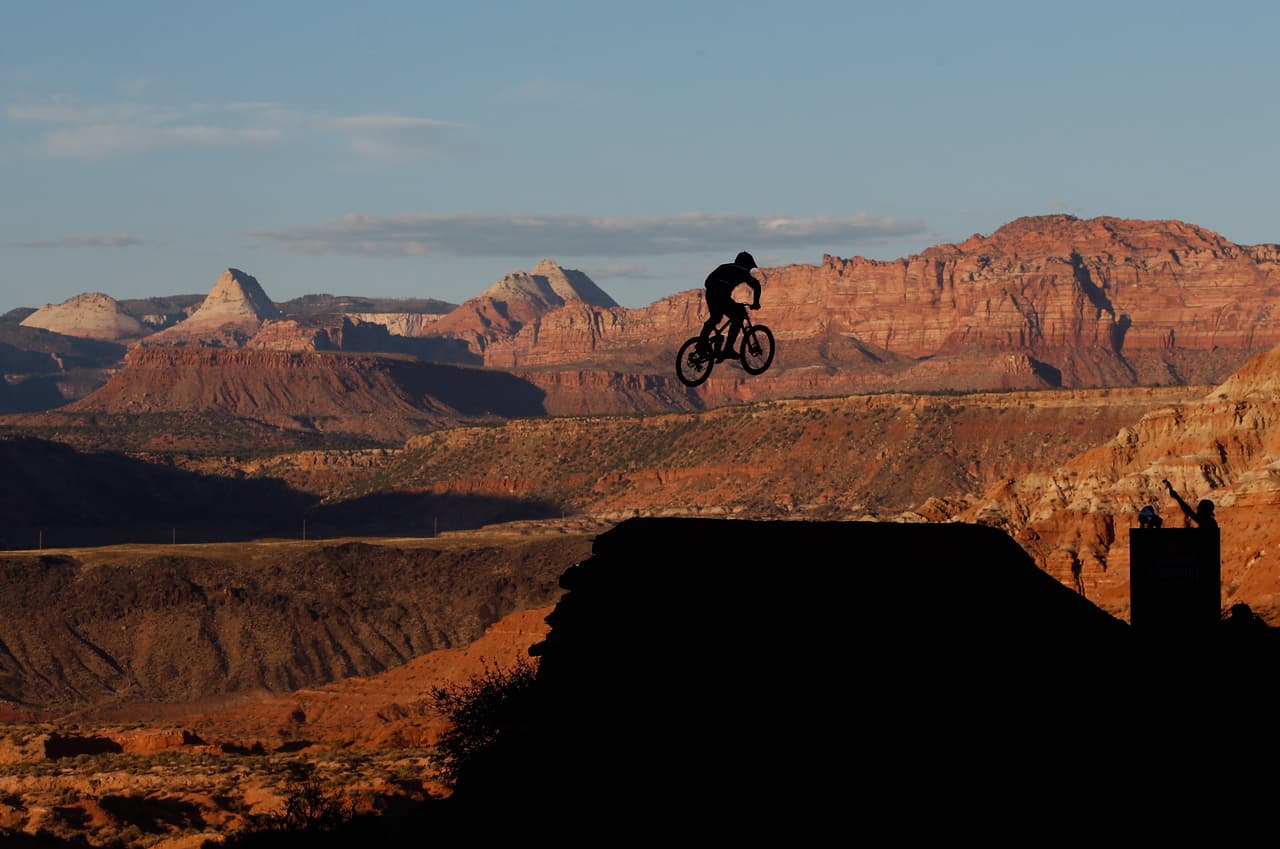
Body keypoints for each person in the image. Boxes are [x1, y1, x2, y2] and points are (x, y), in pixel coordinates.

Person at [701, 251, 762, 362]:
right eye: (750, 267)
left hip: (711, 293)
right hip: (721, 294)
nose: (749, 270)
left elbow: (707, 281)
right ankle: (728, 349)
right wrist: (756, 303)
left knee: (715, 318)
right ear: (746, 264)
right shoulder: (742, 271)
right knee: (738, 316)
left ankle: (701, 343)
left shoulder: (724, 266)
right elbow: (756, 285)